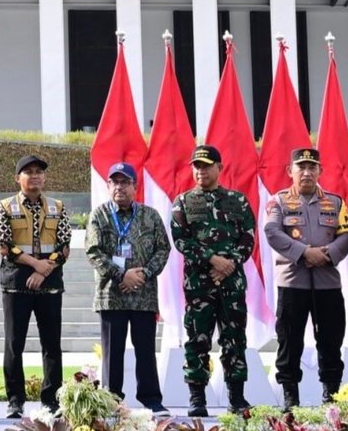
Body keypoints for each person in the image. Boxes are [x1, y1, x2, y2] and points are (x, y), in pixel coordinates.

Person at [170, 144, 255, 416]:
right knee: (197, 340)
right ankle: (197, 399)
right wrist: (212, 259)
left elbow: (248, 238)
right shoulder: (183, 202)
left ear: (220, 167)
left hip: (231, 285)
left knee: (234, 340)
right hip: (199, 284)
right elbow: (181, 239)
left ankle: (237, 398)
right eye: (196, 166)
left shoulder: (238, 200)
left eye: (206, 165)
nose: (201, 171)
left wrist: (229, 264)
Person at [262, 147, 348, 410]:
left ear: (320, 171)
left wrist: (329, 253)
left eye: (313, 168)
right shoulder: (278, 201)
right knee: (289, 341)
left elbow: (346, 235)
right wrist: (304, 253)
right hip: (292, 283)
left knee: (331, 342)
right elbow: (272, 231)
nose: (307, 173)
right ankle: (290, 399)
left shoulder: (336, 203)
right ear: (291, 171)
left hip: (327, 283)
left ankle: (331, 397)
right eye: (301, 168)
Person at [85, 162, 171, 415]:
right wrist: (122, 274)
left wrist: (143, 274)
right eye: (115, 182)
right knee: (113, 352)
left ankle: (151, 399)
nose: (119, 187)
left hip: (143, 295)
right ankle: (112, 400)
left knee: (146, 349)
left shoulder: (150, 215)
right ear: (108, 185)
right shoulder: (99, 215)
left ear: (135, 186)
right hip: (112, 294)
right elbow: (93, 251)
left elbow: (163, 248)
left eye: (125, 182)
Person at [0, 154, 71, 419]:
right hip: (16, 284)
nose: (35, 176)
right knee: (15, 344)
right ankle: (15, 400)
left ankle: (51, 399)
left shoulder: (58, 207)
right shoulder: (4, 207)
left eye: (39, 171)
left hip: (49, 285)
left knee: (52, 344)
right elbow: (5, 246)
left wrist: (44, 269)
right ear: (18, 178)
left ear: (45, 177)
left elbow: (64, 247)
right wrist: (35, 265)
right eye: (28, 172)